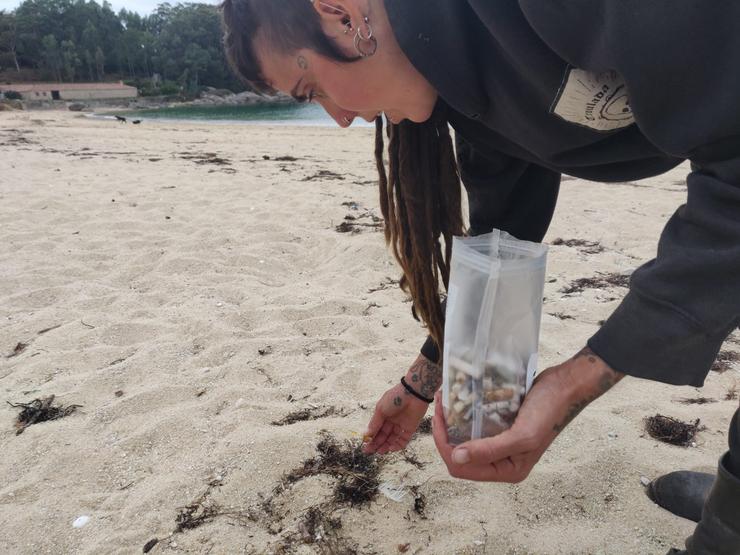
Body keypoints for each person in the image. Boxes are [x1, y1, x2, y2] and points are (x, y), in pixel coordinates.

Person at [220, 1, 740, 553]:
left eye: (311, 88)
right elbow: (504, 235)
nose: (341, 117)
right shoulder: (460, 91)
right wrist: (423, 381)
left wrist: (577, 380)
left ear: (342, 14)